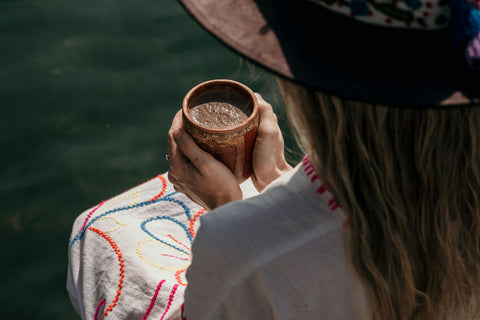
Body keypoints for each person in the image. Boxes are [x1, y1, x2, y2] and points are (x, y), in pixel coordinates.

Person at [68, 0, 480, 319]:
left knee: (98, 229)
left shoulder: (244, 251)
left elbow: (275, 275)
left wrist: (232, 211)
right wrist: (280, 179)